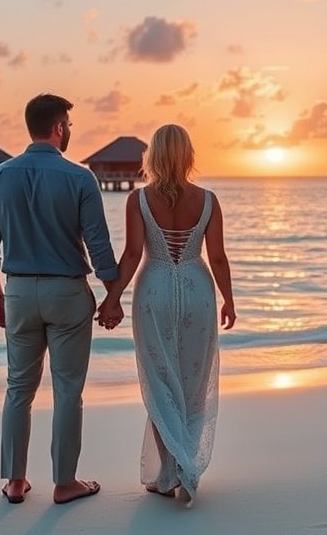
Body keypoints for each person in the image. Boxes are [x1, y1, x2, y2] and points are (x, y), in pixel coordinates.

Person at [0, 93, 121, 505]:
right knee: (67, 389)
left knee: (18, 387)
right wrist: (112, 295)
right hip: (67, 291)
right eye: (69, 126)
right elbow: (99, 244)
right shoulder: (80, 178)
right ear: (59, 128)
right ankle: (64, 482)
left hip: (19, 290)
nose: (70, 132)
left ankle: (16, 481)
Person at [97, 124, 235, 508]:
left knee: (159, 381)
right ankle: (183, 466)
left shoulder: (139, 200)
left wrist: (112, 298)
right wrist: (229, 299)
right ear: (188, 155)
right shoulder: (208, 200)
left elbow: (130, 256)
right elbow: (219, 258)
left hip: (154, 287)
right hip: (197, 287)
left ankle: (171, 473)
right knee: (192, 381)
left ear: (153, 156)